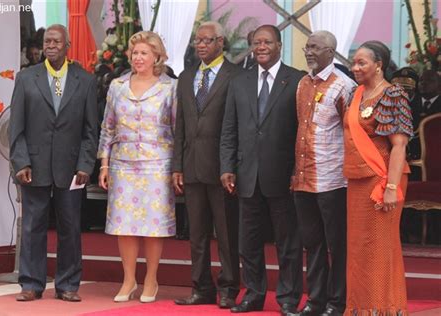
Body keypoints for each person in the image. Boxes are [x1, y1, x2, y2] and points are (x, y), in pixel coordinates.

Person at [9, 24, 98, 302]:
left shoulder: (85, 80)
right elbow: (16, 127)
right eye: (47, 41)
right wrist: (20, 162)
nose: (50, 45)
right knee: (33, 225)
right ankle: (31, 284)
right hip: (32, 167)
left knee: (70, 227)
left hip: (71, 168)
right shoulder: (26, 78)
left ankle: (68, 284)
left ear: (67, 45)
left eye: (56, 41)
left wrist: (85, 165)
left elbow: (90, 129)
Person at [220, 24, 303, 315]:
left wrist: (298, 170)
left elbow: (301, 132)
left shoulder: (297, 80)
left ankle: (289, 298)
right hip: (246, 175)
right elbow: (229, 128)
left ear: (280, 45)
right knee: (248, 242)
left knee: (288, 243)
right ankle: (253, 294)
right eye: (257, 42)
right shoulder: (239, 81)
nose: (262, 47)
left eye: (267, 41)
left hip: (284, 176)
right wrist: (227, 167)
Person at [97, 31, 176, 303]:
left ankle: (151, 279)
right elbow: (107, 127)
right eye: (135, 53)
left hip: (158, 164)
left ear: (157, 56)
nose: (138, 58)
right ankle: (128, 279)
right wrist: (104, 164)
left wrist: (178, 168)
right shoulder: (117, 85)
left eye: (144, 53)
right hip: (123, 164)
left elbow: (178, 130)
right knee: (125, 225)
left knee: (153, 226)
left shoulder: (170, 87)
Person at [172, 21, 240, 309]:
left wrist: (233, 165)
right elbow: (181, 126)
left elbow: (237, 127)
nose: (200, 45)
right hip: (192, 166)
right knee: (196, 234)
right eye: (197, 41)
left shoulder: (236, 76)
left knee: (226, 234)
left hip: (223, 169)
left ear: (220, 42)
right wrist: (177, 166)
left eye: (207, 40)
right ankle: (201, 288)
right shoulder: (186, 77)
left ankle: (228, 288)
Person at [344, 41, 413, 315]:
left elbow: (399, 145)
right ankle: (360, 308)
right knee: (358, 248)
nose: (355, 68)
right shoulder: (356, 94)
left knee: (380, 247)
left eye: (362, 63)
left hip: (383, 179)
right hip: (357, 179)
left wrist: (390, 188)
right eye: (354, 63)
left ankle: (384, 308)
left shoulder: (393, 94)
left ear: (379, 65)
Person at [293, 31, 356, 316]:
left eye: (315, 47)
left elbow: (352, 134)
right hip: (304, 178)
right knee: (312, 244)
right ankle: (315, 302)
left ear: (330, 52)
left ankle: (336, 302)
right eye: (307, 47)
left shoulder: (344, 86)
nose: (308, 51)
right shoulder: (303, 83)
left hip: (332, 179)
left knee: (336, 245)